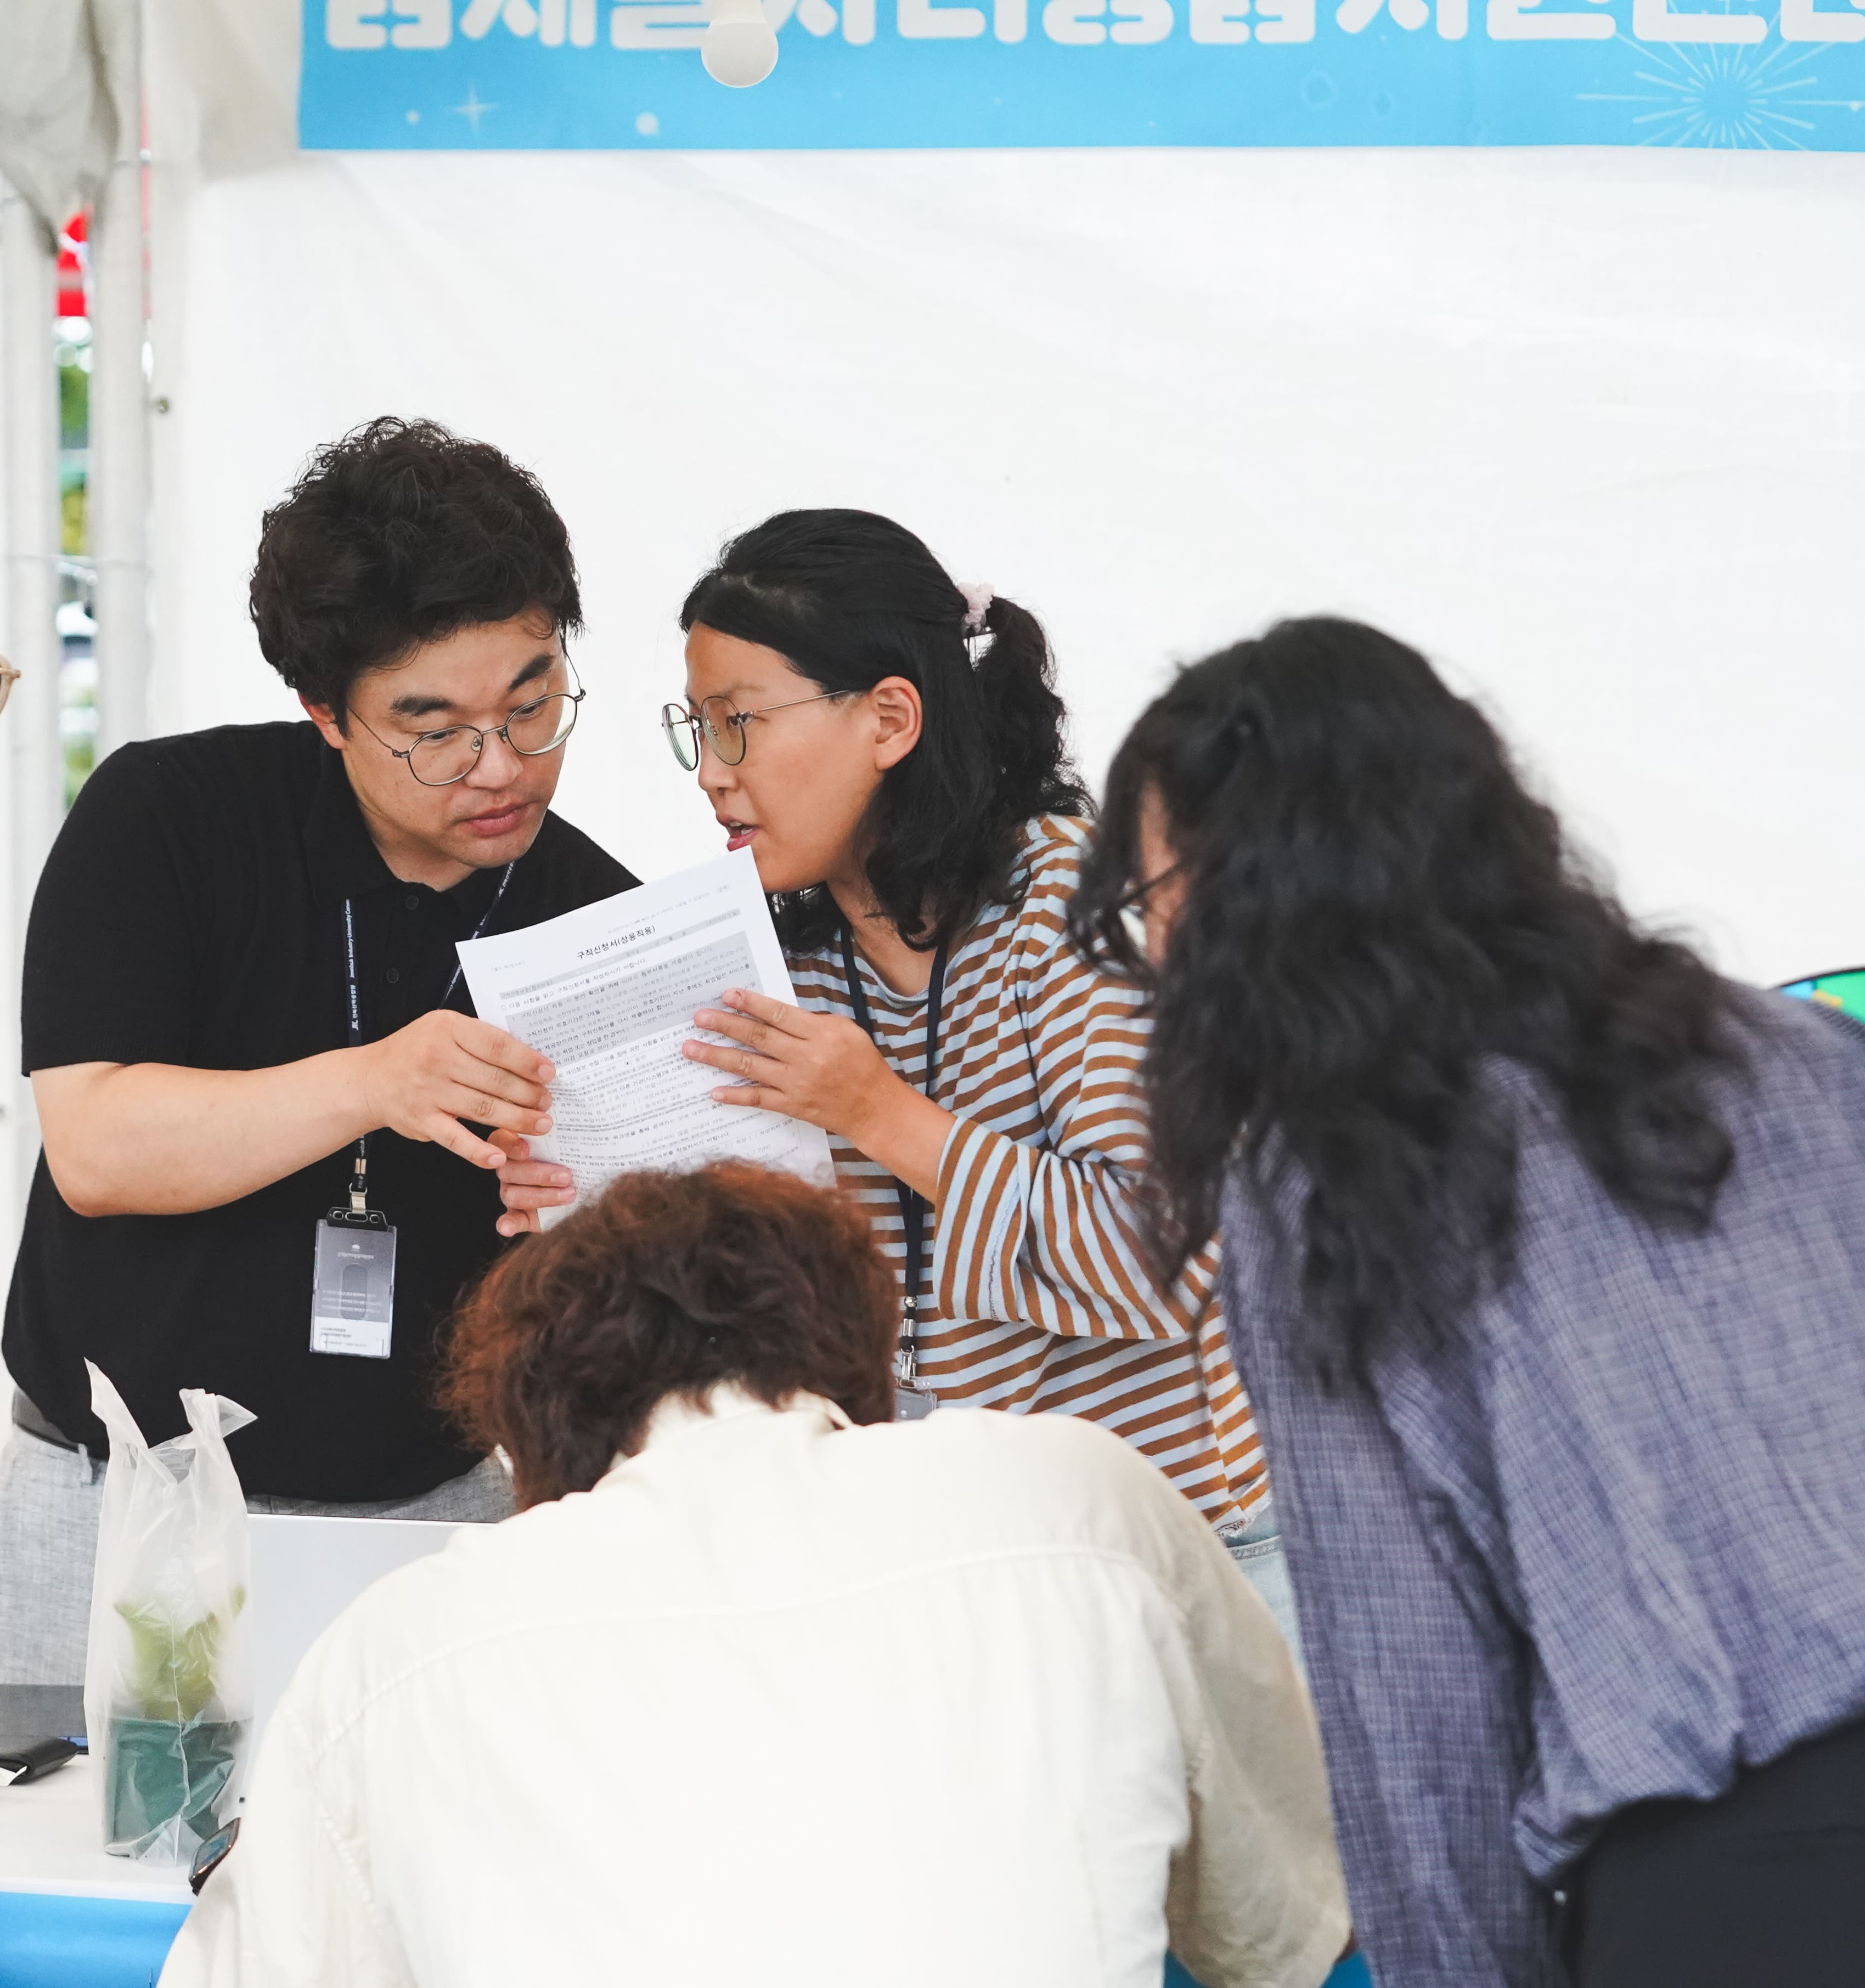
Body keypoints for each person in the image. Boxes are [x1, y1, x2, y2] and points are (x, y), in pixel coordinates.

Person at [1069, 615, 1865, 1988]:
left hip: (1779, 1921)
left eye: (1159, 900)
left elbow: (1417, 1721)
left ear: (1261, 896)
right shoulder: (1819, 1050)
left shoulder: (1335, 1177)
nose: (1157, 957)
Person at [127, 1162, 1346, 1988]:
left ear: (526, 1432)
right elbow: (1288, 1937)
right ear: (860, 1354)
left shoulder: (407, 1647)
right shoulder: (1081, 1499)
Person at [494, 510, 1280, 1626]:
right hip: (946, 1570)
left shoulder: (1075, 905)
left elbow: (1166, 1256)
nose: (710, 775)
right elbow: (763, 1316)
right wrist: (584, 1203)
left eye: (738, 723)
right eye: (696, 730)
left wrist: (877, 1112)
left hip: (1176, 1557)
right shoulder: (789, 968)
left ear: (891, 718)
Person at [0, 417, 638, 1680]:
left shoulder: (596, 918)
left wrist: (570, 1215)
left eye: (533, 703)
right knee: (84, 1812)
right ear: (325, 713)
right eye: (432, 727)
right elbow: (98, 1149)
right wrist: (378, 1082)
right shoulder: (167, 821)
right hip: (118, 1499)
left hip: (431, 1511)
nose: (499, 765)